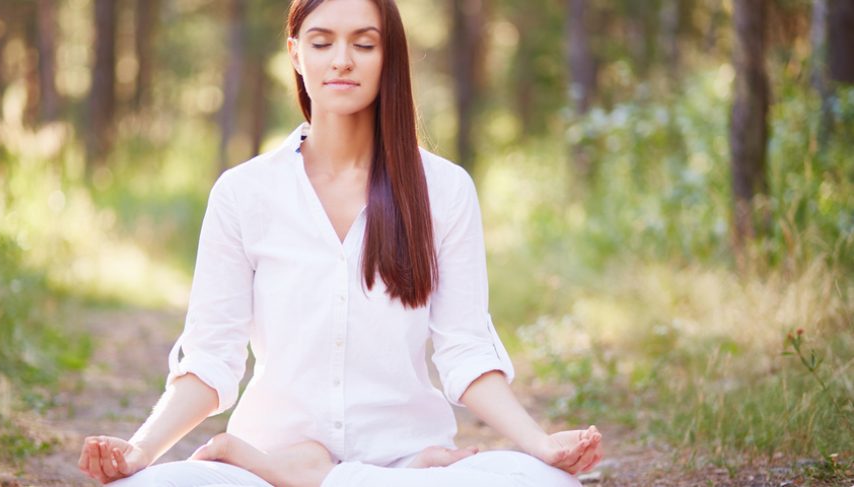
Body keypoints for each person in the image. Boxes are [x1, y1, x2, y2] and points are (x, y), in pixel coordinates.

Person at [77, 0, 604, 485]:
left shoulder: (444, 190)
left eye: (364, 44)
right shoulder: (244, 193)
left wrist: (539, 444)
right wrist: (141, 451)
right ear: (296, 54)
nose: (342, 60)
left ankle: (312, 475)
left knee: (546, 482)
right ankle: (300, 470)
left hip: (407, 463)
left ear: (389, 56)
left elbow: (464, 350)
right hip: (261, 466)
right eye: (322, 41)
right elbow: (211, 359)